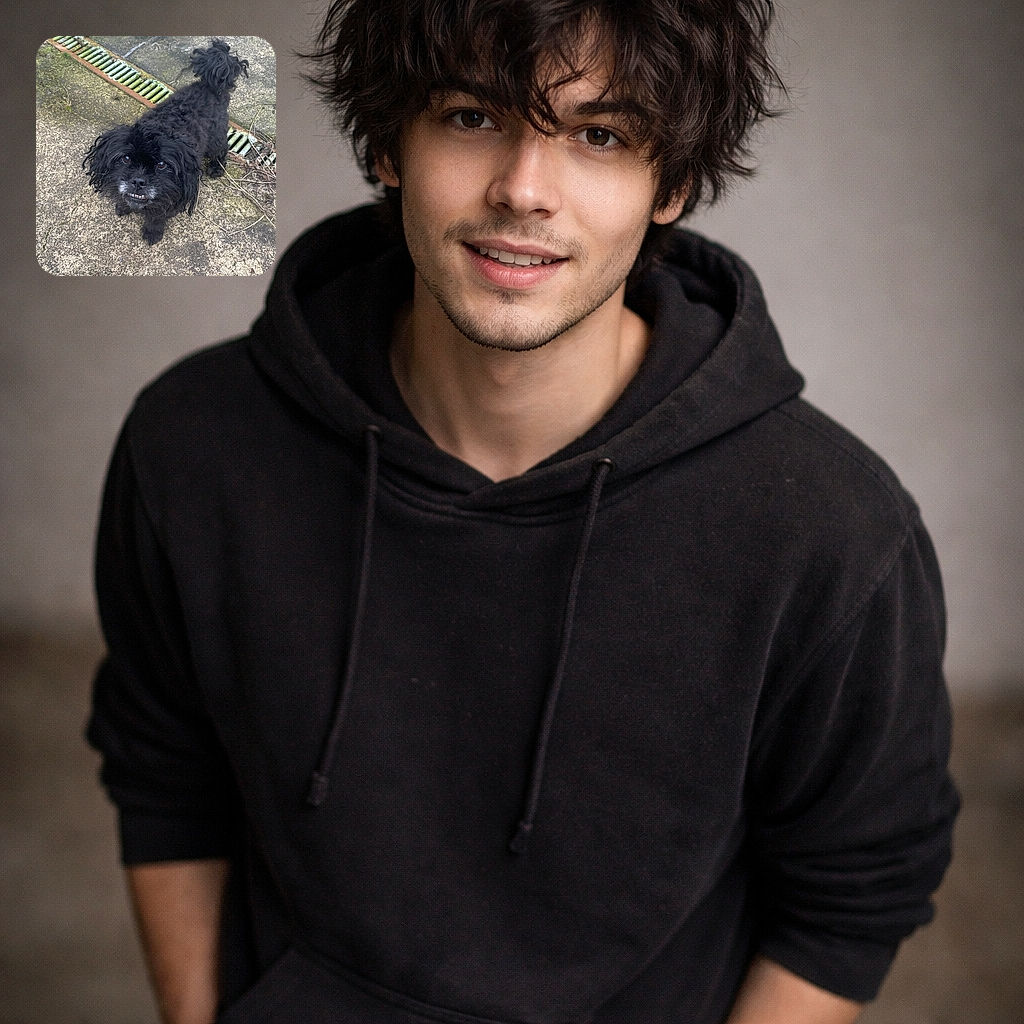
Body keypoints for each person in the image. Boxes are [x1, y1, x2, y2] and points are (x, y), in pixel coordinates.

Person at [86, 1, 959, 1022]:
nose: (522, 190)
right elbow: (165, 776)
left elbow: (850, 902)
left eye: (599, 135)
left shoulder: (831, 533)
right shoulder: (197, 443)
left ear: (670, 183)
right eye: (471, 116)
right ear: (387, 146)